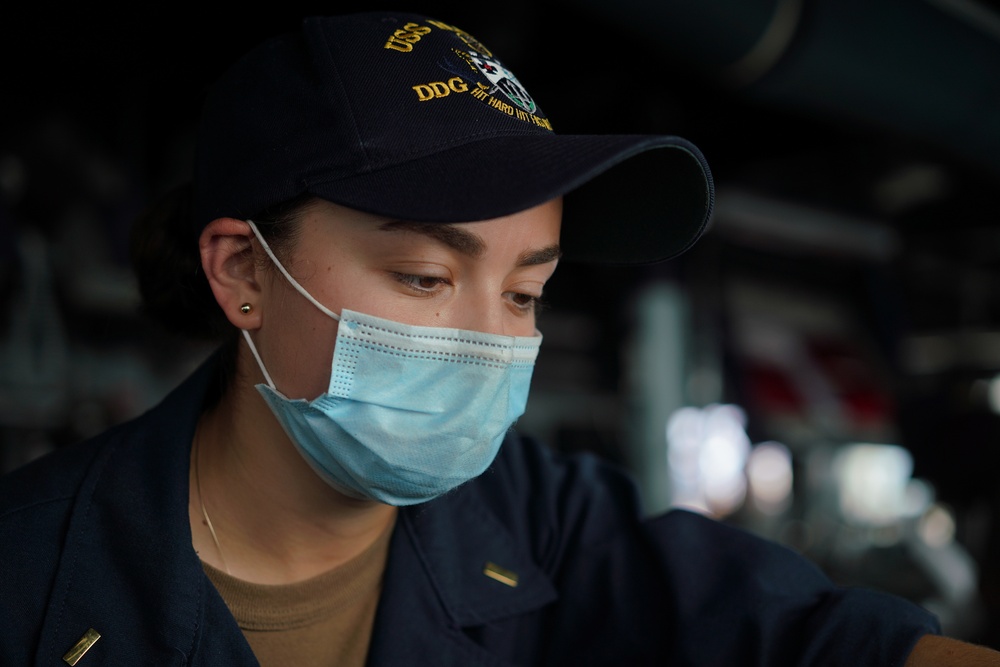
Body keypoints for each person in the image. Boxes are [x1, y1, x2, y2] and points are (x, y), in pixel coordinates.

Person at [0, 10, 996, 666]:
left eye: (526, 294)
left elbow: (809, 642)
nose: (487, 341)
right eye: (426, 277)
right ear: (243, 272)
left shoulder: (543, 517)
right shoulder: (27, 570)